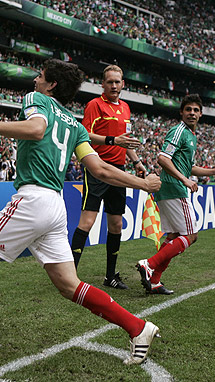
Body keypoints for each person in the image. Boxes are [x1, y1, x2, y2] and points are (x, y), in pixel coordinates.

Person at [0, 59, 162, 366]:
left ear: (51, 85)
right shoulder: (75, 125)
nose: (35, 80)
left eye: (40, 76)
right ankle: (138, 327)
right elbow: (101, 169)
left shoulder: (36, 100)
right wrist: (142, 183)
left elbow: (37, 129)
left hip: (33, 200)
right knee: (69, 285)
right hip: (55, 206)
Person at [135, 94, 215, 295]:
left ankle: (154, 281)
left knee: (174, 236)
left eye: (196, 110)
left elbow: (189, 167)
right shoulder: (179, 131)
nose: (192, 113)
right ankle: (149, 264)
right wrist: (184, 180)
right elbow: (163, 158)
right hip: (174, 188)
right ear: (181, 112)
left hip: (170, 187)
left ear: (201, 114)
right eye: (188, 109)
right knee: (191, 235)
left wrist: (214, 171)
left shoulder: (190, 135)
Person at [70, 65, 145, 290]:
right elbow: (83, 135)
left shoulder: (125, 108)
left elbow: (126, 140)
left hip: (119, 170)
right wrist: (113, 140)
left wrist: (137, 162)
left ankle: (110, 276)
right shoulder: (95, 105)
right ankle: (70, 275)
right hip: (97, 167)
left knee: (116, 223)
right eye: (110, 82)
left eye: (117, 82)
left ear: (123, 84)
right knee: (88, 221)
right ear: (103, 84)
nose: (114, 86)